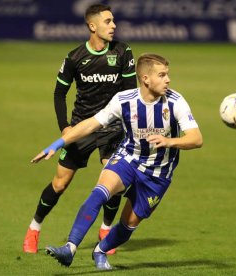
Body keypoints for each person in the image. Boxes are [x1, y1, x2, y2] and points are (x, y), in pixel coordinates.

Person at [31, 53, 203, 270]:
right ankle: (70, 248)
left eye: (167, 74)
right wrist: (57, 144)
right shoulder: (124, 100)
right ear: (146, 79)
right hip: (128, 158)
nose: (168, 79)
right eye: (162, 75)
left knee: (129, 223)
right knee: (101, 191)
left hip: (158, 173)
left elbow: (196, 139)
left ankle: (100, 250)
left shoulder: (176, 101)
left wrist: (169, 141)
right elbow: (91, 124)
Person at [23, 4, 137, 254]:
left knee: (114, 179)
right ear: (92, 26)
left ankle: (106, 230)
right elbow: (59, 93)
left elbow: (131, 93)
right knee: (60, 183)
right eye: (108, 21)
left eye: (113, 21)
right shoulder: (75, 57)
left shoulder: (122, 51)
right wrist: (65, 127)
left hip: (113, 127)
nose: (114, 25)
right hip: (82, 127)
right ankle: (34, 228)